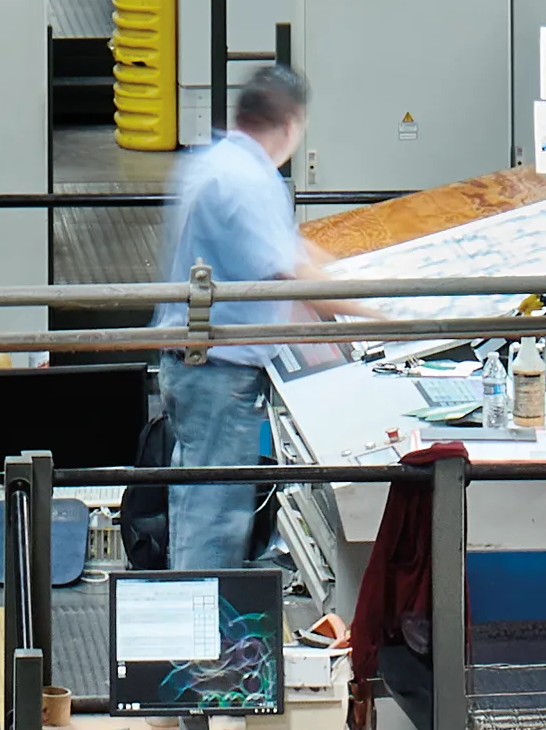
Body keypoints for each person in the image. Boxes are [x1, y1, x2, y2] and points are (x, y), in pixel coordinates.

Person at [151, 66, 380, 571]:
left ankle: (197, 630)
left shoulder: (215, 161)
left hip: (195, 366)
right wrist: (386, 308)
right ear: (292, 125)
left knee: (198, 503)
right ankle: (203, 644)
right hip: (217, 373)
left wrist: (344, 273)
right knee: (213, 518)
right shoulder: (250, 181)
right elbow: (292, 271)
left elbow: (288, 249)